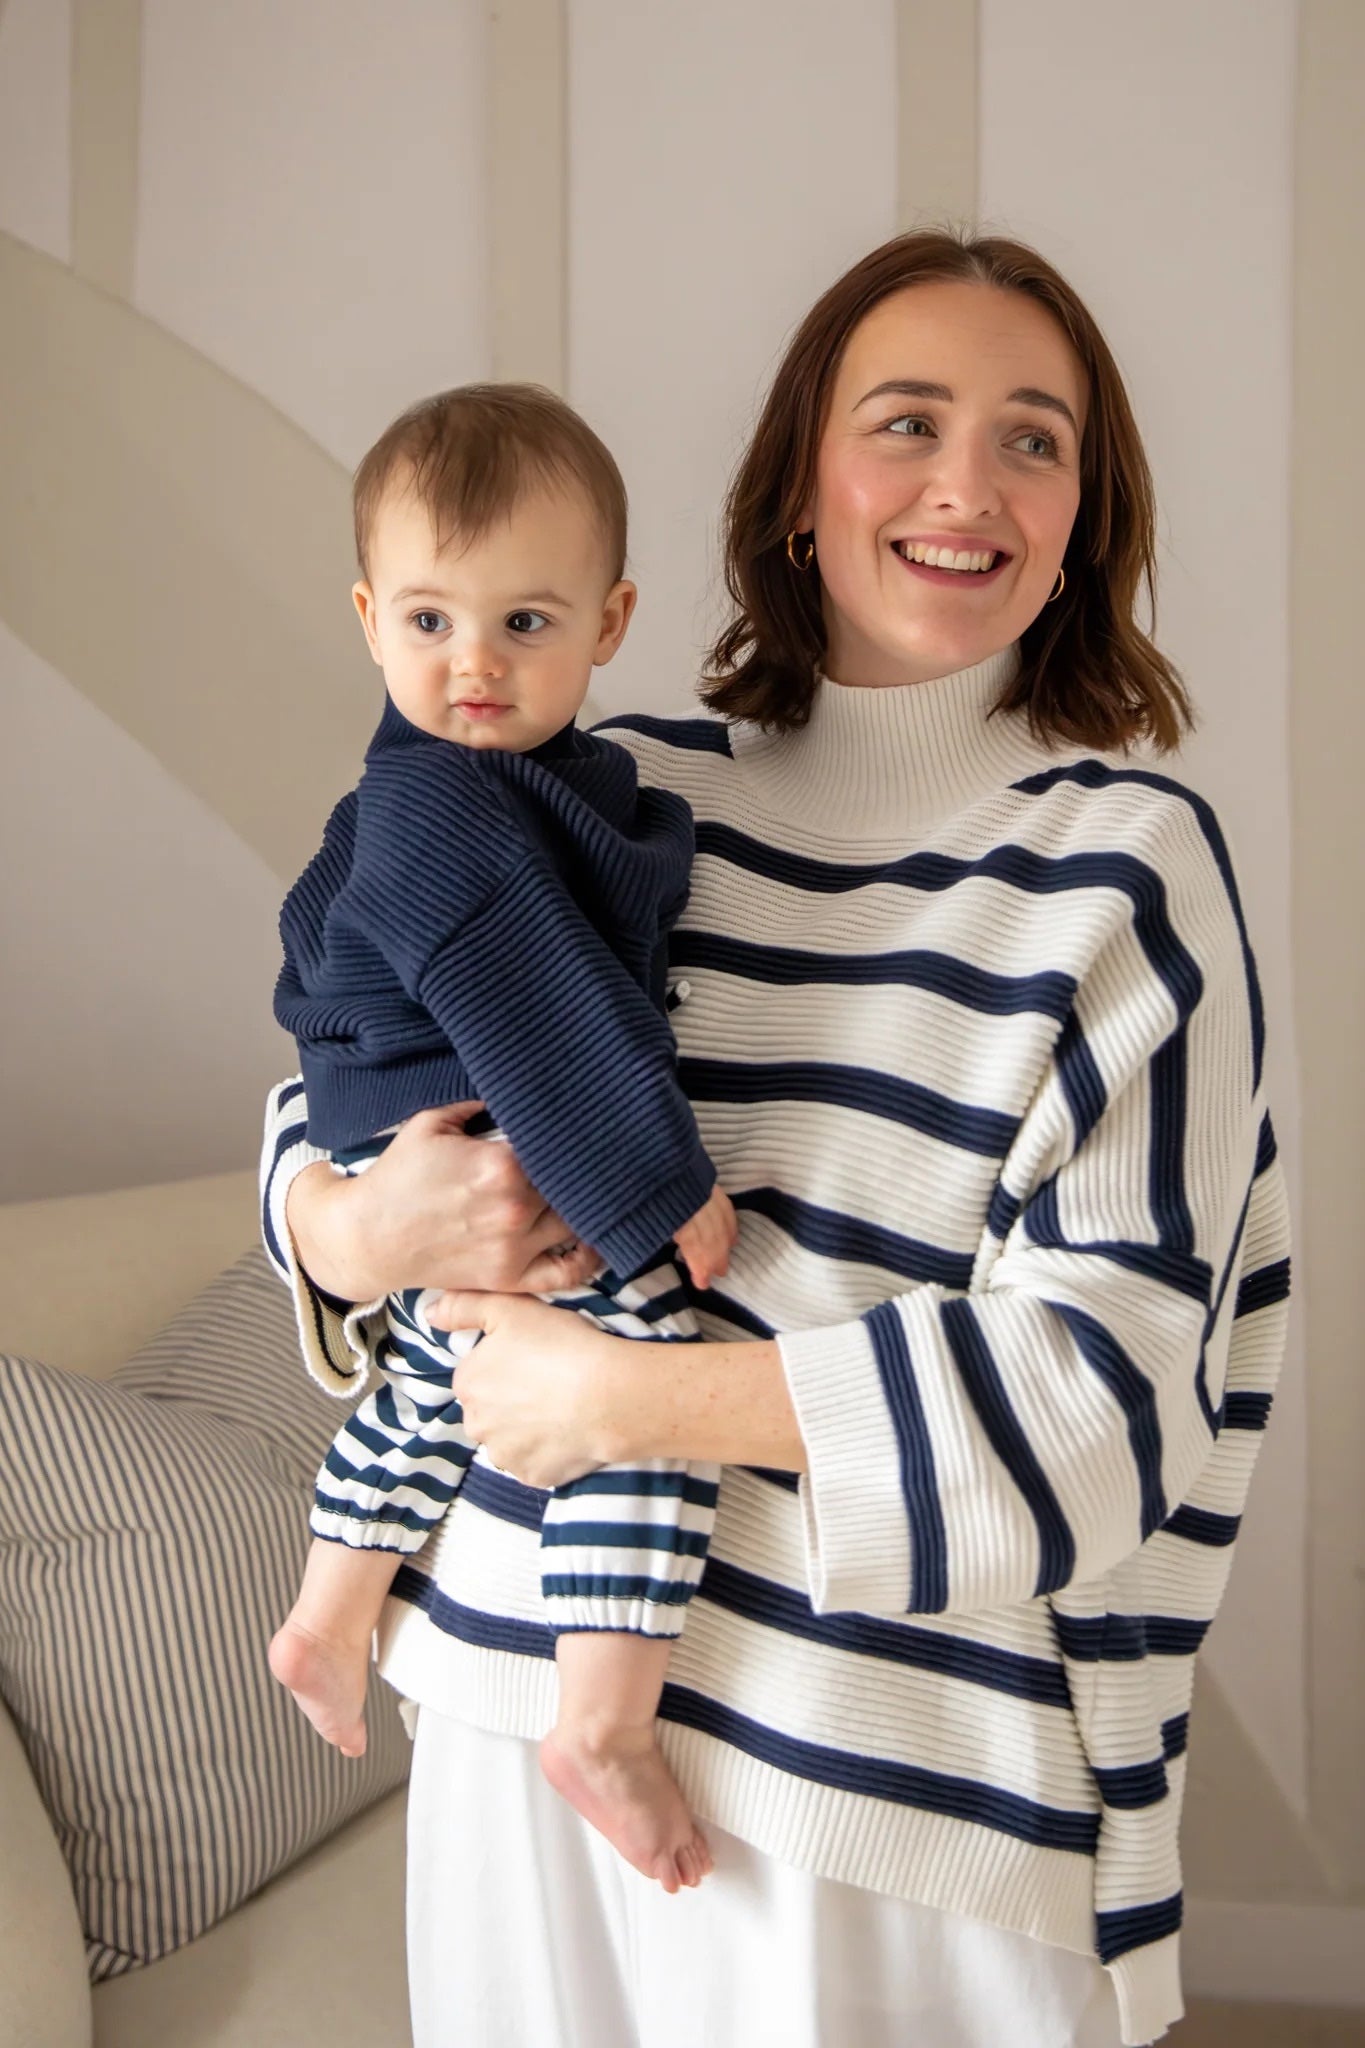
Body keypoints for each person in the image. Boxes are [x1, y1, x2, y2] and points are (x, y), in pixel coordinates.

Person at [260, 231, 1290, 2048]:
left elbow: (1110, 1398)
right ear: (800, 486)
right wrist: (356, 1232)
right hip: (503, 1708)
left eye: (1032, 440)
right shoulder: (609, 784)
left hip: (889, 1813)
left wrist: (635, 1401)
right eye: (905, 422)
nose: (965, 485)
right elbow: (333, 1082)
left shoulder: (1121, 867)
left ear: (1082, 514)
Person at [267, 383, 737, 1893]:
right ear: (368, 619)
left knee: (433, 1377)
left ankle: (331, 1611)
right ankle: (602, 1716)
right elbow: (536, 1005)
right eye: (429, 621)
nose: (472, 664)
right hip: (454, 1136)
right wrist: (657, 1187)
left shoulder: (483, 784)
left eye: (524, 624)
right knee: (643, 1376)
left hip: (407, 1140)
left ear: (609, 624)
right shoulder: (450, 807)